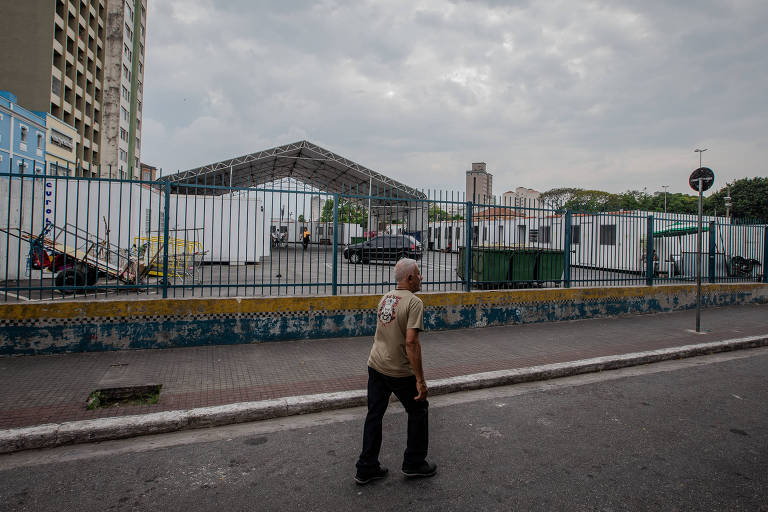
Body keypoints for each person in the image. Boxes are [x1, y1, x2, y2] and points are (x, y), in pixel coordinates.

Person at [355, 258, 436, 485]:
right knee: (418, 409)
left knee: (374, 414)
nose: (421, 278)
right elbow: (411, 343)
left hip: (375, 365)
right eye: (418, 274)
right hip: (398, 370)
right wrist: (420, 380)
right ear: (410, 278)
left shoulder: (386, 297)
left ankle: (366, 467)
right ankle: (414, 463)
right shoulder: (414, 302)